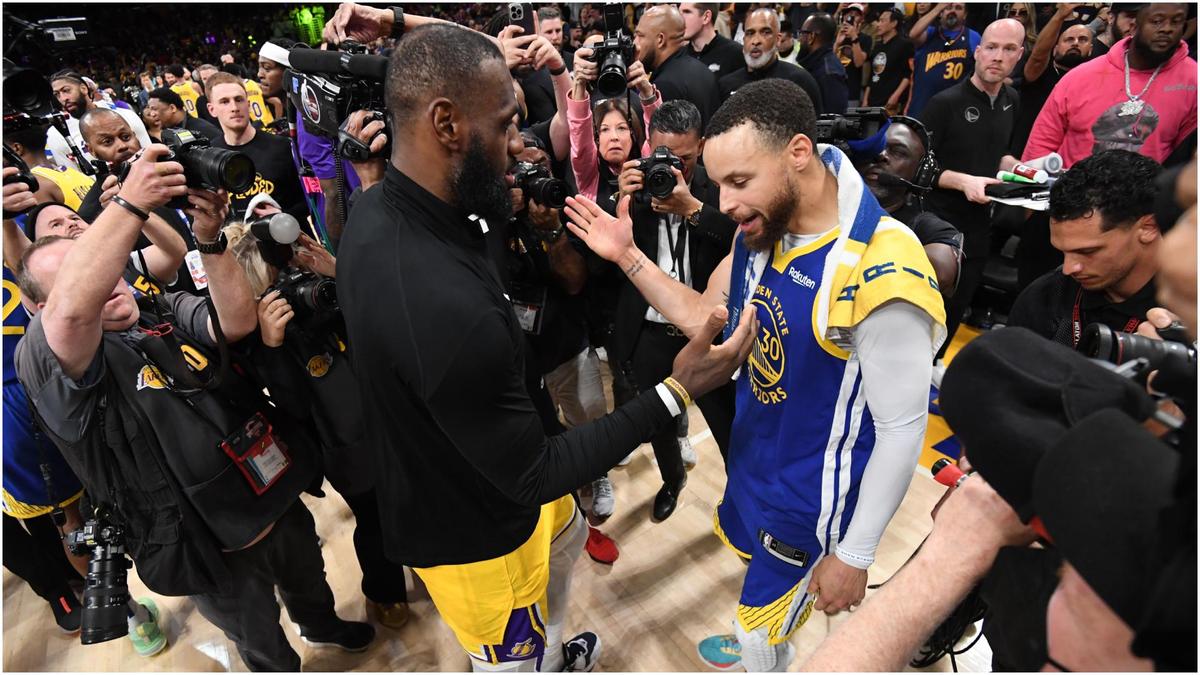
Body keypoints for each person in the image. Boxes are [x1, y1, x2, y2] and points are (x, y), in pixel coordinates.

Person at [335, 18, 754, 673]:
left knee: (562, 556)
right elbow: (533, 471)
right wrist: (679, 389)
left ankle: (554, 656)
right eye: (504, 125)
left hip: (502, 469)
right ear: (445, 124)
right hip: (479, 533)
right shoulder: (440, 307)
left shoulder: (377, 204)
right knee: (514, 660)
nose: (516, 145)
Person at [564, 78, 946, 672]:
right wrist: (626, 255)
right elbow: (699, 314)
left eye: (739, 182)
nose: (725, 202)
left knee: (755, 635)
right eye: (717, 184)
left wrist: (855, 553)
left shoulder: (883, 269)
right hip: (754, 467)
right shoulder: (764, 227)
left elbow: (901, 429)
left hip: (811, 507)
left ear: (799, 153)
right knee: (760, 607)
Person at [12, 148, 374, 672]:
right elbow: (71, 312)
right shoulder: (50, 365)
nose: (106, 277)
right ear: (41, 309)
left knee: (308, 575)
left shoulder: (153, 307)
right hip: (206, 545)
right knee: (259, 639)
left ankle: (321, 625)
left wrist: (210, 235)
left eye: (103, 262)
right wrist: (132, 202)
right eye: (82, 274)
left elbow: (233, 323)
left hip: (270, 492)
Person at [222, 218, 412, 630]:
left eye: (294, 273)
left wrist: (339, 275)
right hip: (346, 446)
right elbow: (291, 405)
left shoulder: (325, 295)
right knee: (376, 521)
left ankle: (431, 561)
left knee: (417, 498)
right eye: (278, 283)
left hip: (396, 421)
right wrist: (273, 348)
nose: (293, 287)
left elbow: (388, 321)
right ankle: (384, 592)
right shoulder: (261, 342)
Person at [612, 99, 738, 520]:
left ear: (701, 147)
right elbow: (608, 254)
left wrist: (694, 210)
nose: (672, 167)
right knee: (661, 424)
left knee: (730, 428)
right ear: (648, 147)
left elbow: (745, 242)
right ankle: (673, 480)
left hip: (709, 334)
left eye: (683, 158)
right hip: (649, 333)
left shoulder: (719, 187)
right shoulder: (635, 186)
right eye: (662, 156)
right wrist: (622, 200)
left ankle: (741, 499)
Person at [918, 18, 1024, 359]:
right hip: (937, 221)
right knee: (924, 305)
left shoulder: (1012, 100)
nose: (998, 56)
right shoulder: (944, 103)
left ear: (1019, 55)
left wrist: (1020, 169)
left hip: (980, 224)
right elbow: (919, 169)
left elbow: (1000, 153)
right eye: (991, 47)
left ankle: (934, 364)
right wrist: (963, 181)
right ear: (977, 52)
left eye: (1008, 49)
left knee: (958, 304)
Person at [1008, 150, 1162, 347]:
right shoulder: (1045, 298)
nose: (1069, 269)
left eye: (1087, 252)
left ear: (1148, 228)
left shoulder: (1187, 316)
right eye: (1063, 251)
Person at [1023, 3, 1196, 169]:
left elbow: (1187, 166)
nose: (1167, 28)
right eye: (1157, 21)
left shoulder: (1193, 80)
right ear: (1134, 25)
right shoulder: (1081, 76)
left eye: (1176, 21)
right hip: (1072, 194)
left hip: (1149, 196)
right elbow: (1040, 147)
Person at [257, 39, 360, 250]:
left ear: (289, 73)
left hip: (350, 228)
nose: (259, 74)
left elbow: (332, 192)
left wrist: (338, 253)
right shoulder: (300, 107)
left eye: (267, 68)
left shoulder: (309, 116)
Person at [852, 116, 962, 296]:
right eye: (875, 147)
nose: (881, 155)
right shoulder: (828, 205)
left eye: (898, 152)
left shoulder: (928, 228)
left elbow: (941, 274)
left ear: (920, 174)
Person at [205, 72, 308, 224]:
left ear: (248, 103)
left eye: (239, 99)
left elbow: (310, 201)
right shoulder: (209, 155)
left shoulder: (282, 146)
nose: (234, 107)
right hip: (240, 244)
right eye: (225, 102)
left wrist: (283, 216)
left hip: (289, 238)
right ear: (211, 109)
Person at [1008, 11, 1093, 161]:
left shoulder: (1095, 79)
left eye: (1082, 39)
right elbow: (1038, 56)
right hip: (1026, 153)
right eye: (1069, 39)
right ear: (1054, 49)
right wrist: (1060, 15)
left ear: (1091, 49)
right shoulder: (1041, 71)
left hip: (1070, 159)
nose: (1075, 43)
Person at [718, 8, 824, 112]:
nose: (756, 41)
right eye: (750, 33)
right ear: (744, 40)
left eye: (765, 32)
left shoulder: (800, 81)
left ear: (778, 39)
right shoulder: (726, 85)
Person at [634, 4, 722, 128]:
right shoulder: (702, 69)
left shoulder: (665, 85)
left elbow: (663, 141)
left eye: (640, 36)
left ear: (660, 40)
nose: (635, 43)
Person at [47, 70, 152, 173]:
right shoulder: (57, 134)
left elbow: (150, 154)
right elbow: (75, 182)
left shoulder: (125, 115)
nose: (63, 98)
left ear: (84, 88)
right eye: (57, 94)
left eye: (66, 90)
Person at [906, 3, 981, 116]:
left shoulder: (974, 37)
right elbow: (913, 34)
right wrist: (937, 8)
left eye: (958, 8)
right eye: (948, 8)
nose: (952, 11)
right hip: (921, 106)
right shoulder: (930, 32)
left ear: (965, 15)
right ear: (941, 13)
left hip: (952, 109)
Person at [862, 8, 914, 112]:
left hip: (891, 102)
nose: (878, 25)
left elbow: (907, 75)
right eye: (878, 20)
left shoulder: (904, 45)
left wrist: (895, 96)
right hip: (872, 101)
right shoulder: (877, 46)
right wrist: (865, 100)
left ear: (894, 23)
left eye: (882, 21)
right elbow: (872, 75)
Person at [797, 13, 850, 115]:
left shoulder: (829, 73)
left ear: (811, 36)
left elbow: (834, 119)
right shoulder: (815, 64)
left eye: (802, 33)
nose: (799, 39)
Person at [681, 2, 745, 82]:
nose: (679, 19)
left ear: (706, 17)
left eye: (687, 12)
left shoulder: (735, 53)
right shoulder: (679, 56)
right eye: (679, 13)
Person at [145, 87, 222, 142]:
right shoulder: (169, 133)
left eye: (154, 109)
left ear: (172, 108)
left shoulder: (204, 130)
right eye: (150, 109)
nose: (152, 114)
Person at [833, 4, 872, 105]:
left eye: (856, 14)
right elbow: (830, 62)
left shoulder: (865, 39)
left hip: (852, 92)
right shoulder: (836, 35)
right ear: (845, 17)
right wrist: (837, 43)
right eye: (850, 14)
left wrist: (854, 36)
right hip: (834, 89)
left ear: (862, 18)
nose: (852, 16)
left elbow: (859, 63)